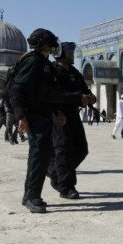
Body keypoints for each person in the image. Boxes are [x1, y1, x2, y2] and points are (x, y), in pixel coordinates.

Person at [11, 28, 95, 213]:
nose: (52, 48)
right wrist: (21, 116)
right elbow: (16, 90)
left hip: (46, 114)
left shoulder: (44, 63)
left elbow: (49, 93)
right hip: (34, 116)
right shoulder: (33, 62)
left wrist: (57, 111)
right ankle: (33, 197)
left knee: (42, 156)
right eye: (49, 45)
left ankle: (30, 195)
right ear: (42, 44)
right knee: (38, 157)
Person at [47, 42, 94, 200]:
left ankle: (55, 172)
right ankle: (66, 187)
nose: (72, 55)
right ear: (60, 53)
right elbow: (52, 95)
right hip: (58, 114)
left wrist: (90, 97)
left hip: (73, 114)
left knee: (81, 148)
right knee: (63, 150)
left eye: (73, 52)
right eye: (69, 53)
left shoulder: (74, 72)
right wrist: (58, 111)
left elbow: (85, 90)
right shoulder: (52, 71)